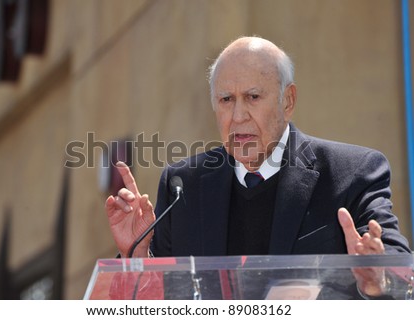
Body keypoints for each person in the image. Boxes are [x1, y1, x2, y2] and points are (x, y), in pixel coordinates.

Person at [105, 36, 411, 298]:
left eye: (252, 97)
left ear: (287, 101)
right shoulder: (183, 186)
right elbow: (154, 301)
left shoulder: (352, 172)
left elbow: (397, 266)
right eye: (226, 99)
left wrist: (377, 277)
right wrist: (137, 254)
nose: (238, 115)